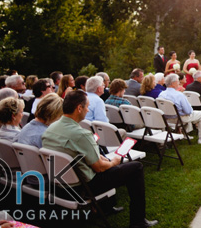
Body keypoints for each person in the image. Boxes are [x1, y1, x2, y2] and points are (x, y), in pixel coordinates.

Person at [41, 91, 159, 228]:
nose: (87, 110)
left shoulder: (50, 129)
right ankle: (138, 221)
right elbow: (99, 167)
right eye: (87, 107)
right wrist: (115, 160)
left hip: (59, 183)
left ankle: (106, 208)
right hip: (83, 186)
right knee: (135, 167)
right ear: (79, 108)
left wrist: (100, 158)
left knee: (111, 166)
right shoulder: (81, 134)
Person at [157, 74, 201, 144]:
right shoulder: (179, 95)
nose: (179, 83)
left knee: (186, 113)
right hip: (179, 119)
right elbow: (188, 111)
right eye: (177, 81)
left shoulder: (161, 94)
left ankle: (185, 134)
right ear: (173, 83)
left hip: (167, 119)